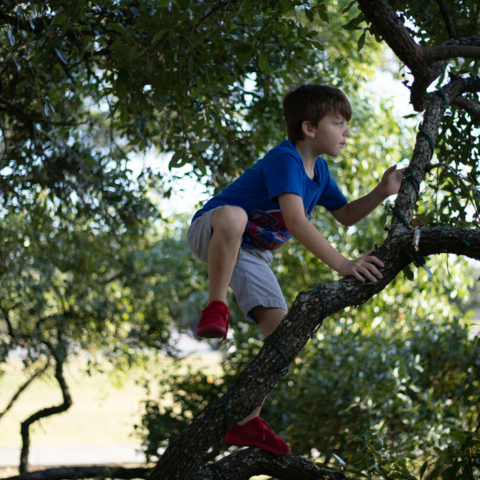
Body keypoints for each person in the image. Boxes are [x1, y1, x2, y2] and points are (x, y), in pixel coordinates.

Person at [187, 83, 404, 455]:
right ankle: (215, 306)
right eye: (338, 123)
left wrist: (382, 192)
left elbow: (347, 215)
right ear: (309, 128)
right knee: (234, 214)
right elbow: (296, 221)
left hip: (251, 253)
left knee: (282, 329)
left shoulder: (319, 174)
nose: (346, 132)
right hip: (213, 231)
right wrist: (343, 264)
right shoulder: (286, 159)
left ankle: (246, 420)